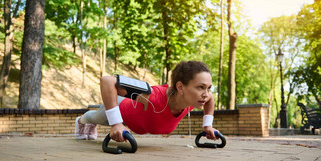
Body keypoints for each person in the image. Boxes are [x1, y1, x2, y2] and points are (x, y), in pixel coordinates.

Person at [75, 61, 218, 142]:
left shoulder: (196, 99)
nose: (206, 94)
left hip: (135, 123)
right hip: (120, 107)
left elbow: (210, 99)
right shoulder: (152, 96)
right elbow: (107, 81)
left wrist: (207, 126)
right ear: (180, 87)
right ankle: (80, 121)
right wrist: (116, 123)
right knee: (94, 117)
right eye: (201, 87)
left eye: (209, 88)